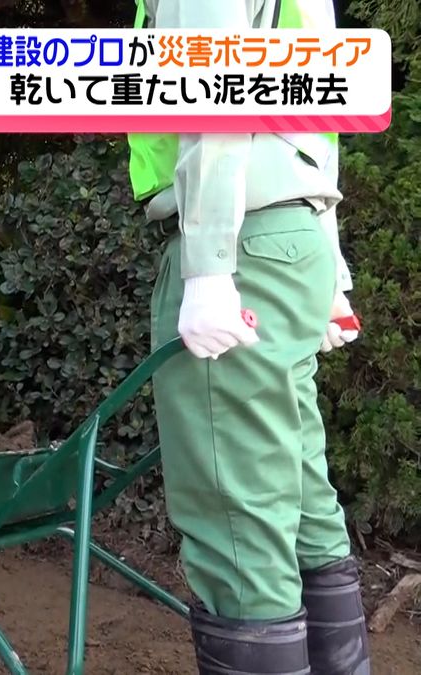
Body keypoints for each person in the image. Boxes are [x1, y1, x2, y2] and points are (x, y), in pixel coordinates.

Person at [129, 2, 370, 674]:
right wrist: (330, 275)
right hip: (291, 241)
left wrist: (207, 264)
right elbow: (320, 114)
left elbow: (216, 77)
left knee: (238, 517)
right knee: (297, 489)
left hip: (237, 242)